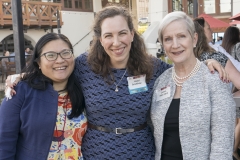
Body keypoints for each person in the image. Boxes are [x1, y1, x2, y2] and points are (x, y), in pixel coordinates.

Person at [5, 6, 227, 159]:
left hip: (141, 152)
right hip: (96, 153)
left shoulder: (153, 67)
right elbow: (56, 68)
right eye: (108, 35)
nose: (116, 42)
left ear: (132, 34)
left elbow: (183, 70)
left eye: (122, 33)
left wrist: (207, 63)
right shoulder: (83, 65)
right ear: (100, 39)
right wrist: (21, 76)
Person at [151, 11, 235, 160]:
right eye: (168, 39)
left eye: (181, 36)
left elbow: (223, 143)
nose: (175, 45)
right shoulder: (161, 81)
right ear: (163, 44)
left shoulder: (214, 80)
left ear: (194, 39)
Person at [0, 33, 87, 159]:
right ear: (38, 63)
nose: (60, 60)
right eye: (50, 55)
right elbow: (4, 143)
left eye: (66, 53)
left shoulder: (83, 89)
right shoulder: (20, 92)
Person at [193, 21, 240, 90]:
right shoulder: (215, 54)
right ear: (201, 33)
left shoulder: (185, 60)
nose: (212, 31)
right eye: (209, 28)